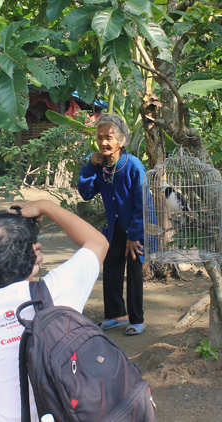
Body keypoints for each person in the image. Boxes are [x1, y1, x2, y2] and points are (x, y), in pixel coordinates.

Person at [0, 199, 108, 422]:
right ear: (34, 252)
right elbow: (98, 242)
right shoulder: (58, 290)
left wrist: (27, 264)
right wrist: (46, 205)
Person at [78, 113, 147, 335]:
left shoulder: (133, 166)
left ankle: (137, 319)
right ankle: (117, 315)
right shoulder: (100, 167)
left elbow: (143, 203)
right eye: (99, 138)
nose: (103, 143)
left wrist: (134, 236)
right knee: (111, 269)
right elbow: (86, 193)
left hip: (135, 229)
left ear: (121, 140)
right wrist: (89, 167)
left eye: (109, 137)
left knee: (134, 273)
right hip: (114, 229)